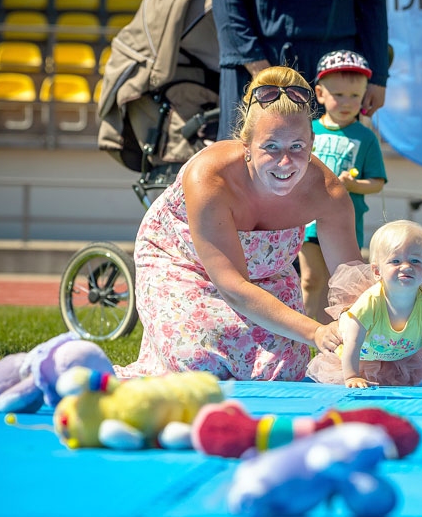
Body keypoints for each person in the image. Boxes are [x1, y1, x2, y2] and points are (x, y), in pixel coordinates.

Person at [117, 66, 363, 381]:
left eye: (297, 147)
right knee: (196, 361)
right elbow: (234, 286)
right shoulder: (209, 177)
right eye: (271, 147)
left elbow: (353, 287)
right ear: (246, 144)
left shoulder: (328, 193)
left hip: (266, 275)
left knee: (285, 369)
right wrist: (316, 332)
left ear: (312, 140)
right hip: (182, 262)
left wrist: (398, 329)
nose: (285, 162)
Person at [211, 0, 389, 140]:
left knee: (333, 166)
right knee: (248, 162)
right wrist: (257, 67)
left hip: (334, 74)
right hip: (257, 65)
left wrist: (378, 76)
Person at [306, 220, 422, 389]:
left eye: (415, 261)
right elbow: (352, 342)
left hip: (395, 353)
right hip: (358, 353)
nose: (406, 266)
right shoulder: (371, 302)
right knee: (350, 332)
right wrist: (352, 376)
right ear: (377, 271)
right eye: (395, 261)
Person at [299, 50, 387, 324]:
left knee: (342, 283)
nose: (346, 102)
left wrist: (353, 184)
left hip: (344, 223)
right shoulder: (307, 130)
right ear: (320, 93)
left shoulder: (366, 137)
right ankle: (304, 336)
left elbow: (377, 183)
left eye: (354, 96)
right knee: (312, 279)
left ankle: (335, 338)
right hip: (307, 221)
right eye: (338, 94)